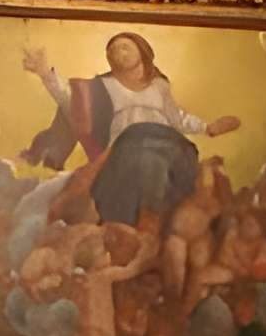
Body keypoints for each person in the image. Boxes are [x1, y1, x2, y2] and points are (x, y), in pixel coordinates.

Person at [20, 31, 240, 229]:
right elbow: (71, 98)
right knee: (140, 155)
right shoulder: (102, 86)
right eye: (113, 51)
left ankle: (154, 215)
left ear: (141, 50)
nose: (119, 53)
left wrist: (208, 128)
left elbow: (177, 118)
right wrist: (44, 73)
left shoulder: (159, 85)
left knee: (158, 158)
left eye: (125, 47)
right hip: (124, 147)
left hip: (167, 143)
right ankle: (145, 218)